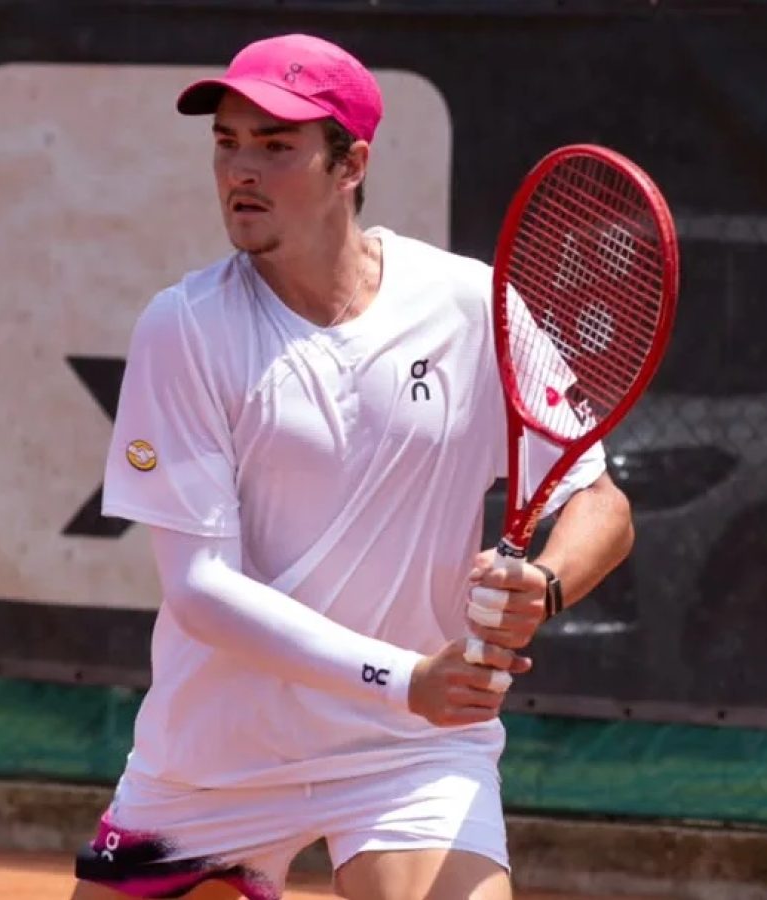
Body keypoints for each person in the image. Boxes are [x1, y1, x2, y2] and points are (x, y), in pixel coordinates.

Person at [71, 32, 634, 900]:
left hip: (410, 751)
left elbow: (599, 501)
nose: (240, 170)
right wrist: (408, 678)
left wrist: (546, 584)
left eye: (275, 145)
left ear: (350, 165)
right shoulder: (183, 328)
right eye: (227, 142)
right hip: (217, 760)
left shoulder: (469, 307)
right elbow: (200, 589)